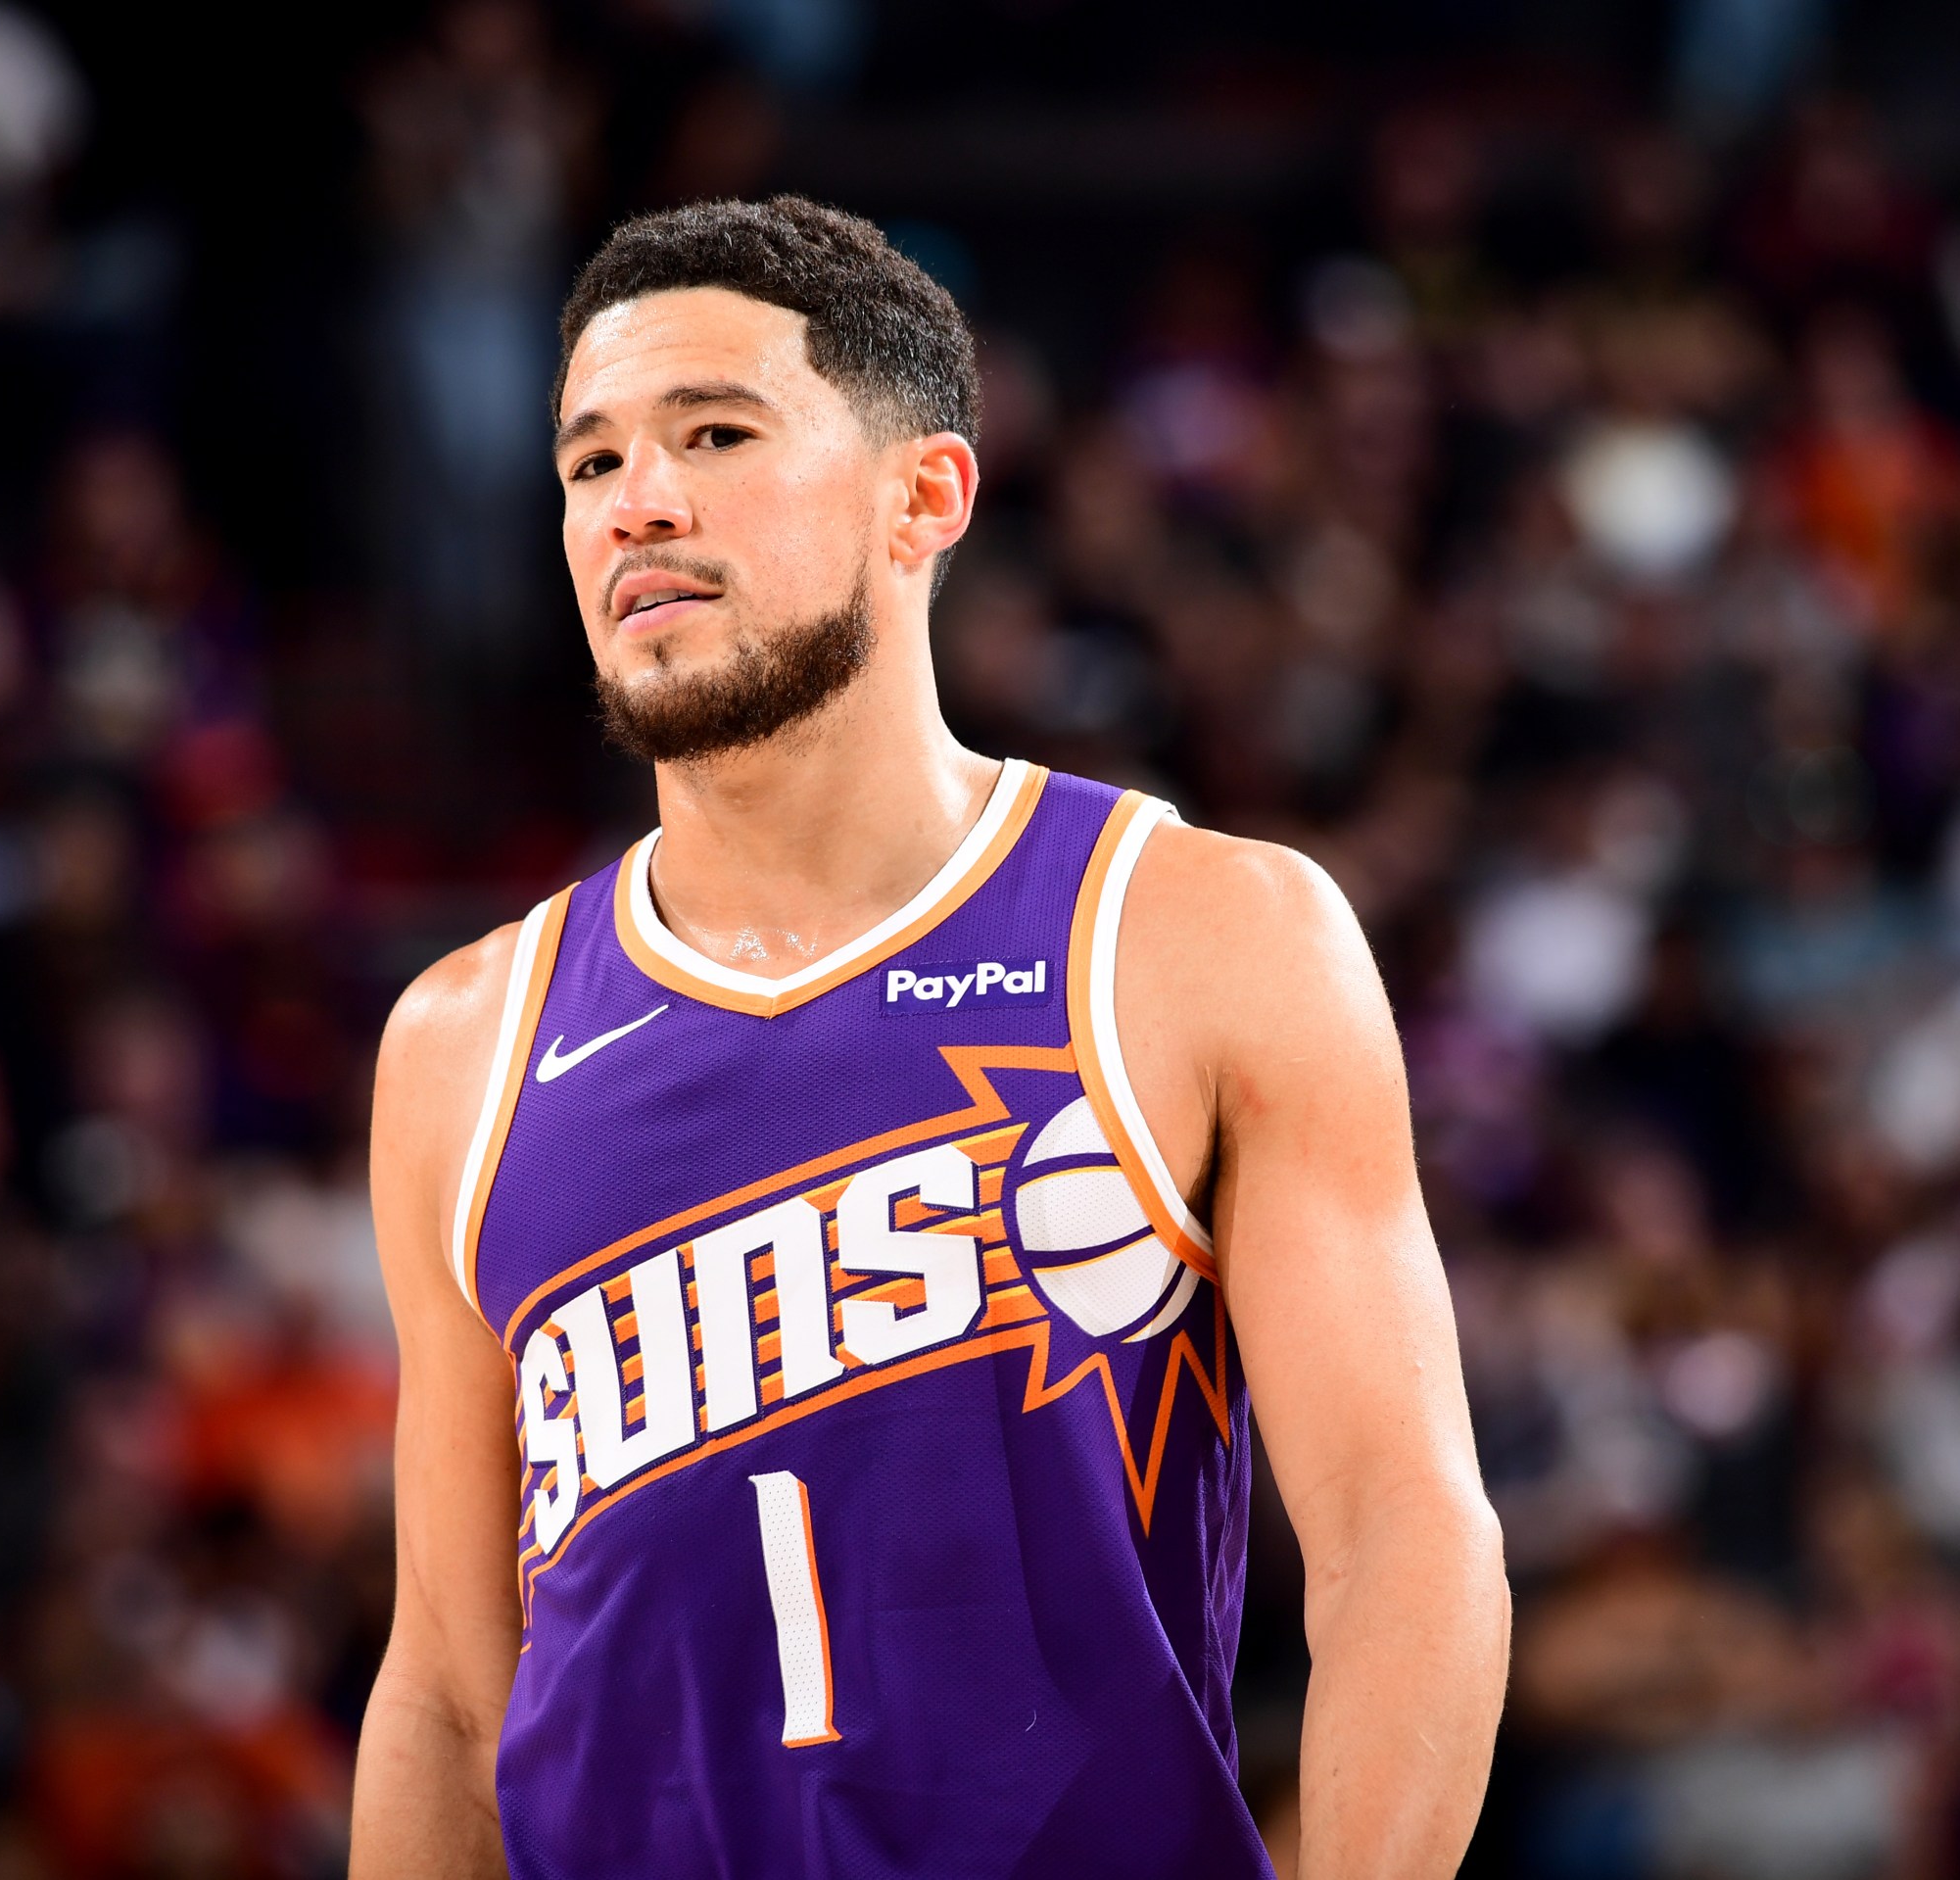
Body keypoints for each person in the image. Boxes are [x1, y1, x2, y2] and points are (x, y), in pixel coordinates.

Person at [351, 196, 1509, 1879]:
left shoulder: (1191, 932)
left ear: (926, 494)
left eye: (716, 433)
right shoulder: (463, 1039)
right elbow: (449, 1698)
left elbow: (1405, 1544)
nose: (639, 503)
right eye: (591, 464)